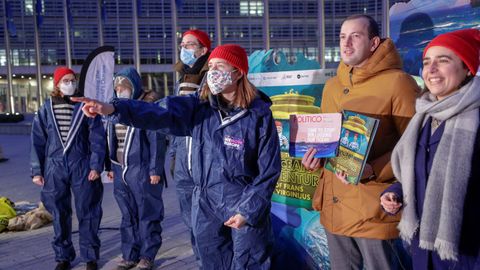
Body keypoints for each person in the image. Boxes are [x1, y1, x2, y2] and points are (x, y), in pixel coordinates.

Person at [73, 44, 281, 270]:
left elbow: (268, 171)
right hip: (206, 204)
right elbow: (158, 112)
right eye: (210, 66)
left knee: (249, 263)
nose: (212, 72)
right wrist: (114, 109)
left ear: (238, 72)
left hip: (242, 202)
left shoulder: (259, 115)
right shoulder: (200, 108)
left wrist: (247, 211)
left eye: (219, 66)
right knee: (212, 262)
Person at [301, 14, 419, 269]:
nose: (347, 43)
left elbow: (414, 145)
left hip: (373, 208)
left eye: (356, 36)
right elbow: (327, 141)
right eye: (343, 37)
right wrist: (315, 160)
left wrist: (373, 169)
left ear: (374, 43)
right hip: (334, 209)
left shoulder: (399, 83)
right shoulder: (331, 86)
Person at [381, 29, 480, 269]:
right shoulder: (423, 117)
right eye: (427, 62)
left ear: (467, 68)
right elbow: (416, 172)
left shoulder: (476, 120)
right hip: (423, 250)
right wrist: (394, 192)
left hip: (466, 253)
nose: (431, 70)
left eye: (443, 61)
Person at [30, 67, 105, 270]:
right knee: (59, 213)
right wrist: (37, 170)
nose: (70, 83)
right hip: (55, 167)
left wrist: (96, 165)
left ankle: (90, 257)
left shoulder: (84, 106)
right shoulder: (46, 108)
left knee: (88, 211)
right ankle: (63, 257)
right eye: (65, 80)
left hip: (82, 164)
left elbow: (97, 137)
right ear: (57, 84)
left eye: (72, 80)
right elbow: (38, 140)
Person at [105, 67, 167, 270]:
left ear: (135, 86)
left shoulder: (147, 107)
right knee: (127, 215)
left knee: (147, 214)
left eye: (125, 86)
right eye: (117, 86)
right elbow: (110, 139)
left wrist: (155, 170)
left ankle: (147, 256)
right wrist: (110, 164)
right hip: (120, 170)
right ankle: (129, 255)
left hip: (142, 170)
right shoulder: (116, 110)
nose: (120, 89)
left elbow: (156, 140)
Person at [168, 29, 211, 259]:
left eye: (189, 45)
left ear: (203, 49)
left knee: (207, 221)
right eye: (182, 45)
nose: (183, 49)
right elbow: (175, 124)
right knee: (189, 219)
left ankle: (209, 260)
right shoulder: (181, 80)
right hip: (183, 162)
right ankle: (199, 259)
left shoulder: (211, 77)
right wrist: (174, 155)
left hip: (204, 160)